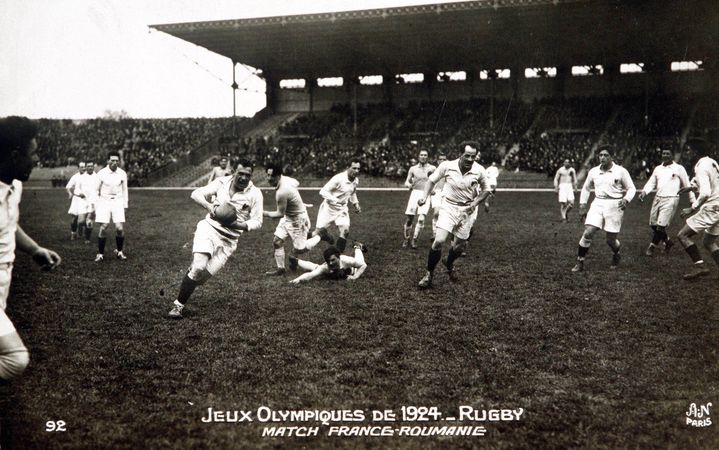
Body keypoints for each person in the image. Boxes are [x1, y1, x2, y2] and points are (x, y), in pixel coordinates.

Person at [0, 116, 61, 380]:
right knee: (15, 358)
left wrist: (35, 249)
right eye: (33, 153)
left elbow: (9, 225)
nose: (36, 160)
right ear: (15, 154)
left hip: (4, 281)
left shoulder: (15, 186)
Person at [168, 159, 263, 318]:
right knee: (198, 268)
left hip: (229, 241)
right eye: (241, 174)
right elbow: (195, 194)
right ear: (233, 171)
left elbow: (258, 221)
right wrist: (210, 206)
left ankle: (191, 274)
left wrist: (236, 224)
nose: (244, 178)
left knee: (200, 279)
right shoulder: (221, 182)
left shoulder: (255, 193)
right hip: (209, 229)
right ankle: (178, 307)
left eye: (248, 175)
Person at [417, 142, 492, 289]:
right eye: (467, 156)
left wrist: (475, 203)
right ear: (460, 154)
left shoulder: (479, 170)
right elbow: (431, 181)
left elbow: (486, 190)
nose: (470, 159)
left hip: (467, 211)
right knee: (438, 241)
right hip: (448, 206)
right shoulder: (447, 165)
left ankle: (449, 262)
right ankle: (428, 274)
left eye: (473, 156)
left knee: (459, 247)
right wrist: (424, 197)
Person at [572, 146, 636, 272]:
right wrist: (582, 205)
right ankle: (580, 261)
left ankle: (616, 254)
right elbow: (586, 188)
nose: (602, 157)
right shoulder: (593, 171)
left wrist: (626, 199)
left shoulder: (621, 171)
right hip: (598, 203)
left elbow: (632, 188)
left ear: (612, 156)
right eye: (600, 155)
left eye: (606, 155)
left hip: (615, 204)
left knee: (610, 240)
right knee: (588, 232)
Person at [263, 164, 323, 275]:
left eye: (273, 176)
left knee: (300, 249)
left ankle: (320, 235)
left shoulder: (281, 192)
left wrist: (262, 213)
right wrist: (294, 200)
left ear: (279, 175)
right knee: (277, 241)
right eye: (268, 175)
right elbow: (296, 182)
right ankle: (281, 269)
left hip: (297, 220)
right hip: (288, 216)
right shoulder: (288, 180)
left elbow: (279, 214)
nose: (269, 178)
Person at [637, 148, 694, 256]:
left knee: (660, 226)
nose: (665, 155)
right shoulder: (658, 168)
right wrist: (644, 192)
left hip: (671, 199)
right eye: (664, 153)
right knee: (653, 225)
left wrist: (692, 201)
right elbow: (651, 183)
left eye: (668, 153)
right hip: (658, 198)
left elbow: (687, 185)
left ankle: (651, 247)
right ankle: (668, 241)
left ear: (672, 155)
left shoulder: (679, 168)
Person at [676, 138, 719, 280]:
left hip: (711, 207)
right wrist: (691, 187)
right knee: (708, 242)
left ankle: (701, 267)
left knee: (682, 235)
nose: (687, 153)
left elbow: (706, 192)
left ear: (695, 151)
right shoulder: (712, 163)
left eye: (688, 150)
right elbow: (709, 184)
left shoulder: (701, 166)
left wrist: (692, 208)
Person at [313, 159, 362, 253]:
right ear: (348, 168)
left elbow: (352, 192)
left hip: (342, 209)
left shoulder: (355, 180)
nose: (356, 171)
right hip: (328, 208)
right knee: (317, 233)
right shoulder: (338, 178)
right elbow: (323, 191)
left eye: (358, 169)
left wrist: (356, 204)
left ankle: (337, 256)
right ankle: (324, 236)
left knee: (345, 231)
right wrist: (336, 200)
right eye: (354, 168)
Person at [94, 153, 129, 262]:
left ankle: (119, 252)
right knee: (103, 227)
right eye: (112, 160)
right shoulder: (101, 173)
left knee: (119, 228)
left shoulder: (122, 173)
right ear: (108, 161)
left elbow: (125, 190)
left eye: (116, 161)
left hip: (118, 201)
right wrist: (97, 204)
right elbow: (95, 190)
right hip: (104, 201)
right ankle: (100, 254)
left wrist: (125, 204)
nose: (115, 163)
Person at [403, 150, 436, 249]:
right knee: (409, 219)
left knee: (421, 219)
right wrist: (409, 185)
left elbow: (437, 181)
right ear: (418, 156)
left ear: (428, 157)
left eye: (425, 155)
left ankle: (415, 240)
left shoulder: (432, 168)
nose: (423, 157)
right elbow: (406, 181)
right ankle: (406, 238)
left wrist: (432, 190)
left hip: (425, 195)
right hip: (414, 194)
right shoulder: (413, 169)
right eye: (421, 155)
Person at [289, 243, 367, 284]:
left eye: (333, 260)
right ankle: (297, 261)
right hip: (329, 271)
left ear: (338, 257)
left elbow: (363, 265)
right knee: (317, 268)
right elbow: (310, 275)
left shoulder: (346, 260)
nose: (330, 263)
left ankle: (357, 247)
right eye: (328, 261)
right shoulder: (326, 266)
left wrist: (355, 277)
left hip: (353, 270)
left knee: (359, 261)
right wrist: (295, 281)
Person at [78, 161, 101, 244]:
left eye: (91, 166)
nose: (90, 168)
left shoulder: (97, 177)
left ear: (93, 167)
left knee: (89, 220)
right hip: (83, 201)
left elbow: (100, 189)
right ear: (85, 167)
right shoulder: (81, 177)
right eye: (88, 166)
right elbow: (77, 188)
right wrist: (79, 193)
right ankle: (80, 227)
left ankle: (87, 238)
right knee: (81, 222)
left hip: (93, 202)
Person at [65, 162, 86, 240]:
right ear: (78, 168)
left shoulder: (89, 176)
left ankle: (82, 231)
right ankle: (73, 233)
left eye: (84, 167)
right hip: (76, 199)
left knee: (83, 219)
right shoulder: (75, 177)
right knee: (74, 218)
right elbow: (68, 187)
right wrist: (70, 193)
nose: (83, 168)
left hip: (85, 200)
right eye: (81, 167)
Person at [429, 153, 448, 238]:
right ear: (437, 161)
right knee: (436, 213)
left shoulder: (449, 171)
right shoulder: (434, 170)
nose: (443, 161)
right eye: (441, 159)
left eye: (444, 159)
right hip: (436, 193)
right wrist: (431, 190)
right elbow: (429, 182)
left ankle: (444, 232)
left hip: (446, 194)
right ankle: (434, 233)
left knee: (444, 214)